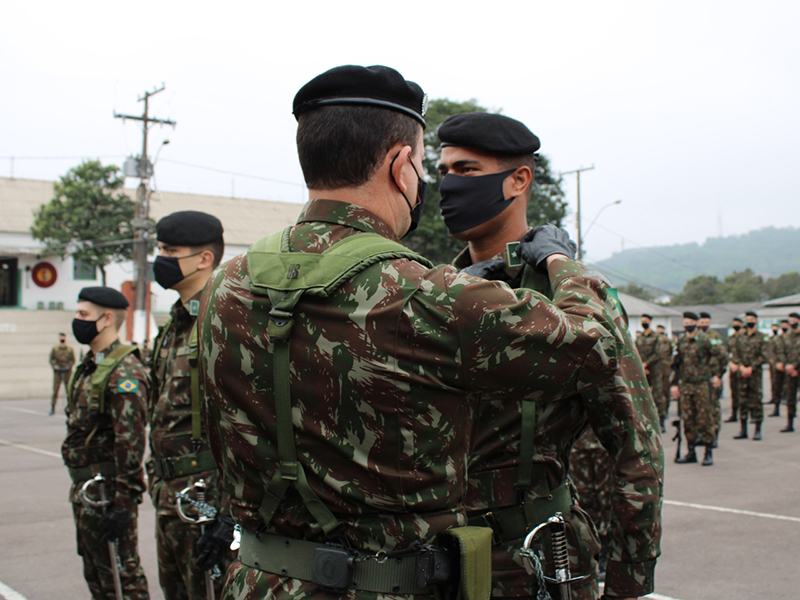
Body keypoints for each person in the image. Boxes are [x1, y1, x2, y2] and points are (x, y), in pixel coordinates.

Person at [198, 65, 628, 600]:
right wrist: (561, 260)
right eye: (426, 165)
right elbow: (596, 347)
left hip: (257, 583)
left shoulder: (225, 286)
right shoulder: (422, 291)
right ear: (402, 166)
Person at [436, 111, 663, 600]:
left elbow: (635, 444)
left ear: (518, 180)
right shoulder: (431, 291)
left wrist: (628, 580)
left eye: (467, 170)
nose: (449, 186)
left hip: (535, 558)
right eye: (443, 172)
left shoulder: (573, 299)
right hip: (433, 559)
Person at [148, 211, 234, 600]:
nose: (160, 259)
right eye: (160, 249)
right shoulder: (173, 325)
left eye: (170, 251)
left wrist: (230, 515)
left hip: (208, 501)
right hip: (172, 498)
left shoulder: (224, 317)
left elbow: (243, 421)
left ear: (204, 259)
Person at [61, 286, 150, 599]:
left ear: (107, 319)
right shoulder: (88, 367)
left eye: (83, 315)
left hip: (109, 493)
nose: (77, 321)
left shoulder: (125, 371)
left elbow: (131, 442)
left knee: (123, 576)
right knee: (97, 573)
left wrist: (123, 504)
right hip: (86, 491)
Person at [671, 312, 724, 465]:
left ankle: (708, 452)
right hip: (686, 385)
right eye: (685, 322)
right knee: (688, 420)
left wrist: (717, 375)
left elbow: (722, 356)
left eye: (690, 322)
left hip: (702, 385)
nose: (688, 324)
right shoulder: (680, 341)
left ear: (696, 323)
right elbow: (676, 365)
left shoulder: (705, 340)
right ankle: (691, 451)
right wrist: (674, 384)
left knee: (705, 418)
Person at [729, 311, 767, 440]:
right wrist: (741, 367)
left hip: (755, 374)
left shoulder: (762, 337)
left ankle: (757, 429)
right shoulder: (740, 337)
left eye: (751, 319)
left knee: (756, 401)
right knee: (742, 401)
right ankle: (743, 429)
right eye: (747, 319)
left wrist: (751, 367)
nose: (749, 321)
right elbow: (735, 354)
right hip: (742, 374)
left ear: (756, 320)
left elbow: (764, 355)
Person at [636, 314, 667, 433]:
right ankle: (645, 421)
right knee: (642, 396)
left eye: (646, 321)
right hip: (643, 370)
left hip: (655, 370)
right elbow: (636, 352)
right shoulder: (639, 338)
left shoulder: (656, 337)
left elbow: (658, 353)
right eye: (642, 320)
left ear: (650, 321)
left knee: (658, 395)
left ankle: (662, 421)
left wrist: (646, 364)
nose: (643, 322)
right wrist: (641, 366)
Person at [777, 312, 800, 432]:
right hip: (790, 372)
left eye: (794, 320)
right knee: (790, 397)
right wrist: (787, 365)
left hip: (797, 369)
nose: (792, 323)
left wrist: (795, 366)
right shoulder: (786, 337)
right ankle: (790, 423)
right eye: (790, 321)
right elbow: (782, 352)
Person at [50, 332, 76, 415]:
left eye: (63, 337)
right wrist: (55, 366)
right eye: (61, 337)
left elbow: (73, 360)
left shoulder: (69, 349)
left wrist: (68, 366)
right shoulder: (55, 349)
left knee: (69, 390)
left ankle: (71, 407)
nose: (62, 339)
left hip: (67, 371)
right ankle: (52, 407)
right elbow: (51, 359)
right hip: (58, 372)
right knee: (56, 390)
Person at [724, 317, 745, 422]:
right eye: (734, 323)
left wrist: (740, 365)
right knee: (734, 392)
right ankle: (734, 414)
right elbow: (726, 353)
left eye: (737, 323)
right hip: (733, 369)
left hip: (743, 369)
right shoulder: (730, 338)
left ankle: (749, 414)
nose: (735, 325)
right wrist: (731, 363)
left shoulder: (745, 337)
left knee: (745, 393)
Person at [769, 319, 790, 418]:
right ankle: (776, 407)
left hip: (790, 367)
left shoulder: (792, 338)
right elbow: (771, 351)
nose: (784, 327)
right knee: (776, 386)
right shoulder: (776, 338)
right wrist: (776, 362)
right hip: (778, 367)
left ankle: (790, 413)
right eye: (783, 325)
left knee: (789, 388)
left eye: (786, 325)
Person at [656, 324, 673, 416]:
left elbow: (670, 353)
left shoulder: (668, 342)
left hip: (666, 369)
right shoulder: (655, 342)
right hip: (657, 370)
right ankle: (660, 411)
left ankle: (666, 409)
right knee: (658, 391)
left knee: (666, 391)